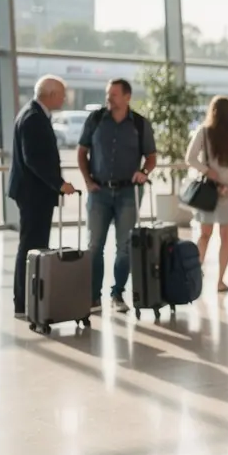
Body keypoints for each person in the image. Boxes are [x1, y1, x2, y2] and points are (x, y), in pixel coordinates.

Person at [77, 79, 157, 314]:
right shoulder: (95, 120)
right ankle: (93, 297)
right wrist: (88, 181)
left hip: (127, 194)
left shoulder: (140, 124)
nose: (109, 98)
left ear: (127, 97)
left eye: (113, 94)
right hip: (99, 192)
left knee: (124, 247)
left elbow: (151, 157)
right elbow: (82, 152)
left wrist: (143, 173)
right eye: (107, 94)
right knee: (94, 246)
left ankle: (117, 294)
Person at [8, 76, 76, 317]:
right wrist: (59, 184)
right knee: (30, 247)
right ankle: (23, 302)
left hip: (35, 194)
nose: (64, 98)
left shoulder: (34, 114)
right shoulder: (33, 118)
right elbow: (34, 159)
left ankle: (29, 299)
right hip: (33, 194)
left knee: (34, 245)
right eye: (61, 94)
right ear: (50, 94)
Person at [185, 95, 228, 293]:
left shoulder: (204, 132)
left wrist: (208, 172)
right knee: (225, 237)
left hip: (211, 189)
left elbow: (190, 158)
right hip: (227, 191)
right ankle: (220, 281)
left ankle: (195, 276)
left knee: (205, 235)